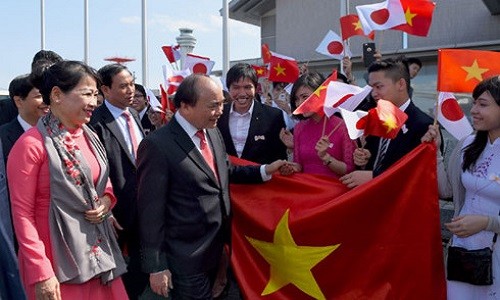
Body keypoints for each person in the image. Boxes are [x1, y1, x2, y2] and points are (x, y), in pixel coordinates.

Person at [136, 74, 289, 299]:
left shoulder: (212, 132)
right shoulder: (157, 145)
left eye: (221, 104)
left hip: (216, 252)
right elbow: (150, 211)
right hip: (184, 257)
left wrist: (265, 170)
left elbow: (225, 170)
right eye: (213, 105)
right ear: (185, 106)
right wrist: (156, 266)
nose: (220, 111)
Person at [7, 60, 127, 300]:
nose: (94, 102)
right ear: (56, 95)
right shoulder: (30, 145)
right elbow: (21, 214)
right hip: (56, 262)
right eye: (87, 94)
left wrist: (105, 201)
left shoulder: (89, 135)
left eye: (95, 94)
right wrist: (41, 272)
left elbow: (102, 182)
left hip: (98, 256)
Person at [422, 76, 500, 299]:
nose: (473, 110)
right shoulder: (468, 144)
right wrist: (435, 153)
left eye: (483, 104)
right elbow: (446, 191)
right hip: (464, 251)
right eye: (474, 102)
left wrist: (487, 222)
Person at [89, 63, 148, 299]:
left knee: (139, 268)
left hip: (142, 206)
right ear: (105, 89)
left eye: (132, 84)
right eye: (123, 86)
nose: (130, 90)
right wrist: (107, 208)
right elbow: (95, 171)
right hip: (114, 209)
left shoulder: (133, 115)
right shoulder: (95, 122)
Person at [340, 58, 434, 188]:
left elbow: (419, 174)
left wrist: (374, 177)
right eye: (372, 87)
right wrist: (365, 161)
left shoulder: (423, 125)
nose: (374, 93)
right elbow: (375, 162)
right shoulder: (377, 116)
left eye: (379, 87)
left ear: (401, 84)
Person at [283, 72, 355, 178]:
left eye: (305, 97)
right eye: (296, 99)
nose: (299, 103)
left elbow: (349, 169)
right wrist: (290, 167)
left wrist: (326, 157)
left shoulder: (342, 126)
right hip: (308, 190)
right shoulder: (299, 128)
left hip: (336, 191)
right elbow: (299, 165)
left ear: (321, 94)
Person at [217, 63, 288, 164]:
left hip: (262, 177)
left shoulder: (273, 116)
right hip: (226, 178)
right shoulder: (218, 114)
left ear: (255, 89)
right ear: (228, 89)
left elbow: (279, 156)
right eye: (236, 87)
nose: (242, 93)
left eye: (247, 87)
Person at [0, 74, 49, 161]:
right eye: (39, 96)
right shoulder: (2, 137)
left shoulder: (59, 132)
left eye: (48, 95)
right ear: (19, 101)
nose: (47, 101)